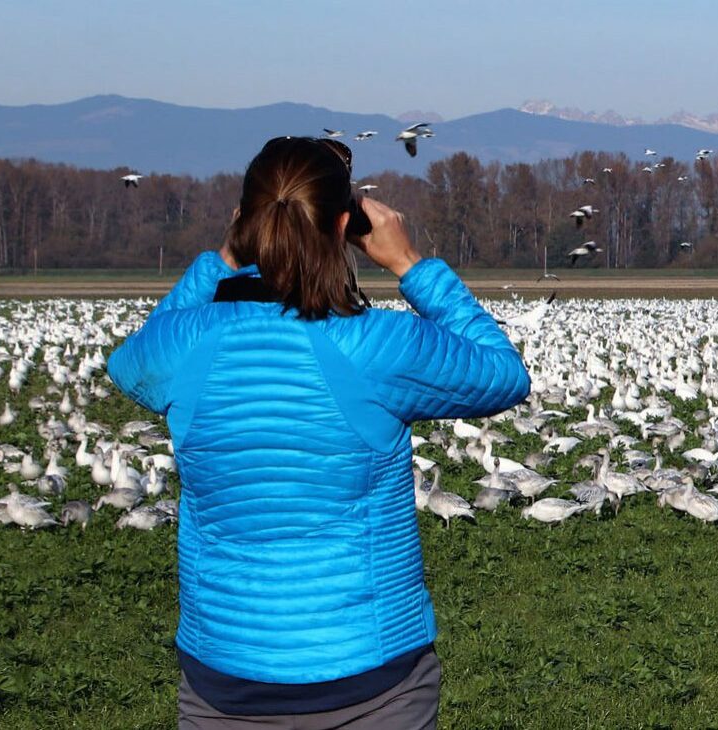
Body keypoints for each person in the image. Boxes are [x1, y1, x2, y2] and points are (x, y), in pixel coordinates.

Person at [107, 136, 531, 729]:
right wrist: (411, 265)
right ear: (344, 224)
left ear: (245, 223)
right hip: (371, 682)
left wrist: (222, 261)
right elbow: (504, 374)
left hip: (224, 685)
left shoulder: (182, 346)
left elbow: (130, 359)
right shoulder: (376, 346)